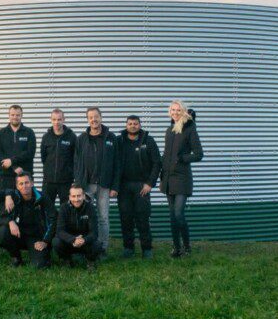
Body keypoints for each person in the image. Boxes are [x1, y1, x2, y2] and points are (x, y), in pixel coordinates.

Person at [74, 107, 121, 256]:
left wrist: (115, 186)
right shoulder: (81, 139)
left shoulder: (111, 138)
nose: (93, 120)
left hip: (104, 185)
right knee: (84, 217)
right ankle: (84, 246)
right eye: (90, 117)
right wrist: (79, 184)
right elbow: (76, 162)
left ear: (101, 117)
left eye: (96, 116)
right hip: (86, 185)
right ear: (87, 119)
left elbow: (118, 164)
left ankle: (102, 248)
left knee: (103, 218)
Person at [160, 100, 203, 258]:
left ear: (183, 111)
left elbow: (199, 154)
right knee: (172, 215)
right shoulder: (168, 130)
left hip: (182, 178)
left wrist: (182, 158)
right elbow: (166, 155)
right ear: (169, 112)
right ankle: (176, 247)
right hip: (168, 179)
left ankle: (186, 245)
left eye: (179, 110)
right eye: (173, 110)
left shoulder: (190, 129)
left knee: (178, 213)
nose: (175, 112)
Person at [117, 115, 161, 259]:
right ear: (126, 125)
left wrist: (150, 183)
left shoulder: (148, 140)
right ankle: (128, 248)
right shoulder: (119, 141)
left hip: (142, 186)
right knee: (126, 218)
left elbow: (157, 163)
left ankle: (146, 248)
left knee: (142, 218)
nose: (133, 126)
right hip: (124, 187)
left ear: (140, 125)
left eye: (136, 123)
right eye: (130, 123)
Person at [0, 172, 57, 268]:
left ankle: (43, 256)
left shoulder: (42, 197)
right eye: (21, 184)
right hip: (18, 235)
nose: (24, 186)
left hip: (36, 237)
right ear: (17, 186)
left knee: (39, 265)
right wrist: (10, 221)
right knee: (2, 232)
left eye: (27, 182)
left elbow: (53, 220)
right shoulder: (13, 198)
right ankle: (16, 258)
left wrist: (45, 241)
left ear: (32, 183)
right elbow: (0, 218)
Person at [53, 184, 103, 270]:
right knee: (56, 242)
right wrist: (73, 239)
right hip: (69, 242)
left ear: (84, 196)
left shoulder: (90, 208)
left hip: (85, 242)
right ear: (69, 197)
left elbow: (94, 232)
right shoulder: (63, 208)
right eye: (73, 196)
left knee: (97, 244)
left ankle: (90, 261)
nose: (76, 199)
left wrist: (84, 240)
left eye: (79, 196)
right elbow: (60, 231)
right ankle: (66, 260)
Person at [0, 104, 36, 190]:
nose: (15, 117)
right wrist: (14, 167)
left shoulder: (29, 132)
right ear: (9, 116)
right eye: (12, 115)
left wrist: (12, 161)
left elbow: (30, 153)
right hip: (5, 177)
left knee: (25, 203)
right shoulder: (1, 133)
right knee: (4, 203)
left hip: (24, 177)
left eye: (17, 115)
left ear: (21, 116)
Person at [40, 108, 77, 206]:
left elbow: (75, 159)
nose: (56, 122)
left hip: (66, 181)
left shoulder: (72, 137)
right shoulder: (46, 137)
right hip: (48, 181)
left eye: (59, 119)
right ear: (51, 120)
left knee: (66, 209)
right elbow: (43, 157)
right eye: (54, 119)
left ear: (64, 119)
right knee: (47, 209)